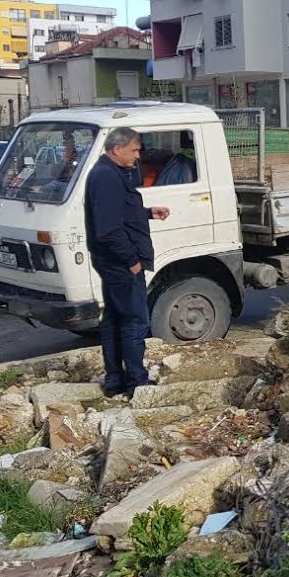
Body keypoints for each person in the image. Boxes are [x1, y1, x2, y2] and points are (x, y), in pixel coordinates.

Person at [85, 127, 170, 397]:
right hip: (120, 263)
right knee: (134, 321)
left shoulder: (110, 173)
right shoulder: (106, 177)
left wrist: (147, 213)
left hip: (113, 261)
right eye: (134, 150)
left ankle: (114, 381)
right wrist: (131, 260)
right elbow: (108, 229)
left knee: (113, 319)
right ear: (117, 149)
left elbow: (120, 212)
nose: (138, 155)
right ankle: (137, 383)